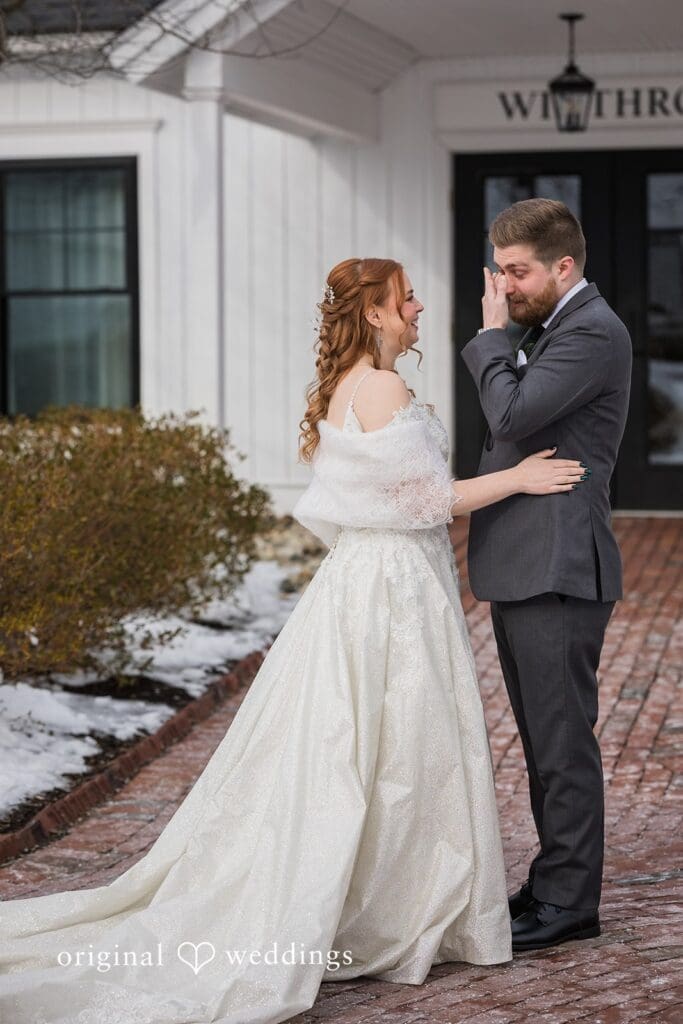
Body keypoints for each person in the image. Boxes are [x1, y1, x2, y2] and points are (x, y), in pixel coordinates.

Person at [0, 257, 588, 1024]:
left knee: (367, 747)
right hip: (390, 587)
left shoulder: (351, 382)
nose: (417, 306)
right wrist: (517, 479)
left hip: (364, 578)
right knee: (399, 746)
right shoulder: (380, 388)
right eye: (405, 297)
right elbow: (423, 500)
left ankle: (387, 897)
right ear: (373, 313)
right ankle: (391, 910)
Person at [461, 199, 632, 952]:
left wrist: (490, 337)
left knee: (562, 746)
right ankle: (552, 881)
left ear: (564, 266)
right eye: (499, 271)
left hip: (557, 565)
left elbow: (511, 415)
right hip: (528, 563)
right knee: (541, 743)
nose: (504, 286)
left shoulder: (591, 331)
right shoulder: (555, 326)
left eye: (517, 271)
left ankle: (569, 904)